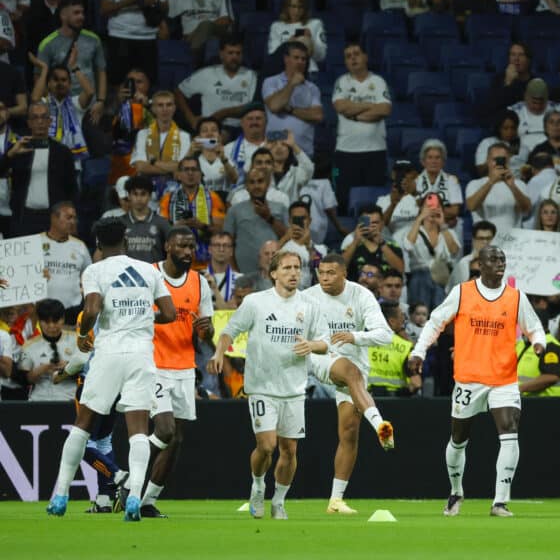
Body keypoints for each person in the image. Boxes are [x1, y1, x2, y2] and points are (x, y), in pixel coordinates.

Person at [46, 218, 176, 521]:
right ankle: (133, 499)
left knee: (83, 424)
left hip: (108, 354)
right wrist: (143, 318)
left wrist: (81, 335)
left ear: (98, 245)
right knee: (138, 430)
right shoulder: (149, 270)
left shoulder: (95, 271)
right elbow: (169, 313)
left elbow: (91, 309)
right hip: (141, 355)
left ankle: (61, 495)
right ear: (126, 241)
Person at [409, 245, 547, 517]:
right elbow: (436, 321)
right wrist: (418, 350)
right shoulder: (462, 292)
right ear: (479, 265)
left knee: (509, 431)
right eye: (493, 259)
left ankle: (500, 501)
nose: (500, 263)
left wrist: (539, 342)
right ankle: (456, 491)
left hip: (504, 379)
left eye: (502, 259)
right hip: (469, 379)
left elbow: (534, 326)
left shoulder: (516, 297)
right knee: (459, 438)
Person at [208, 251, 343, 520]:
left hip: (293, 388)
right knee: (267, 445)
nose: (294, 273)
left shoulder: (309, 305)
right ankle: (258, 486)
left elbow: (326, 341)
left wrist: (312, 345)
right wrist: (219, 352)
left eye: (297, 268)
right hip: (261, 385)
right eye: (287, 268)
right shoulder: (256, 302)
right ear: (273, 273)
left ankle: (279, 500)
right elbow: (229, 330)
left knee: (289, 449)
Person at [302, 253, 394, 515]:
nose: (325, 278)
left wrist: (354, 336)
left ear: (344, 274)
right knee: (350, 372)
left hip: (356, 360)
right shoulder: (308, 297)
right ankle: (380, 425)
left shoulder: (361, 295)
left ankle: (335, 501)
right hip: (321, 357)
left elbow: (385, 335)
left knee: (350, 431)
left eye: (331, 273)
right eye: (321, 272)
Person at [141, 227, 215, 518]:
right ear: (168, 245)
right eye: (182, 246)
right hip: (152, 364)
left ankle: (147, 500)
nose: (188, 252)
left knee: (177, 439)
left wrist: (206, 332)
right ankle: (125, 476)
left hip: (185, 367)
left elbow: (207, 333)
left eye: (191, 247)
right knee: (165, 429)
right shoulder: (149, 274)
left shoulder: (199, 283)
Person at [0, 102, 77, 236]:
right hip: (24, 217)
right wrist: (10, 155)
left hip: (54, 218)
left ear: (50, 121)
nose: (40, 122)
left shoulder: (62, 152)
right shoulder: (18, 148)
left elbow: (72, 189)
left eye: (43, 117)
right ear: (29, 122)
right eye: (35, 118)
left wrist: (71, 219)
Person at [332, 43, 392, 204]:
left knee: (375, 202)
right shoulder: (342, 82)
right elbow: (340, 106)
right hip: (346, 152)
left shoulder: (378, 81)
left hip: (375, 151)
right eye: (348, 56)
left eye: (356, 54)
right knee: (344, 200)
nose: (352, 58)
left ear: (365, 57)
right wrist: (371, 106)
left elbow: (385, 109)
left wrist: (354, 114)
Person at [98, 0, 168, 87]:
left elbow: (165, 7)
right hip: (120, 36)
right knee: (117, 83)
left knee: (148, 84)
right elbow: (103, 9)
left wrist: (153, 2)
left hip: (148, 38)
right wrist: (126, 2)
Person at [36, 0, 108, 116]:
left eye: (82, 13)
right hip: (60, 107)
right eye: (76, 13)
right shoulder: (47, 44)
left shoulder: (94, 39)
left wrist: (101, 101)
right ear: (63, 15)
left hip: (90, 107)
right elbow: (39, 78)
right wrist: (48, 106)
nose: (81, 17)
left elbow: (101, 71)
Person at [176, 35, 258, 137]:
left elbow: (252, 106)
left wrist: (223, 113)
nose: (234, 57)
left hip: (240, 128)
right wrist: (191, 119)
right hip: (209, 128)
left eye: (238, 53)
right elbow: (179, 91)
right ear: (221, 54)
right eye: (230, 53)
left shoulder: (251, 76)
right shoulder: (206, 73)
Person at [159, 156, 226, 270]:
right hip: (177, 263)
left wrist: (201, 226)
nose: (190, 173)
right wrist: (177, 227)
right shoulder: (167, 199)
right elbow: (160, 233)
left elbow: (221, 232)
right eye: (186, 169)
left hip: (206, 264)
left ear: (200, 174)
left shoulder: (213, 198)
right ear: (179, 174)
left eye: (194, 169)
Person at [262, 41, 322, 157]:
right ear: (286, 59)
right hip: (275, 150)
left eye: (303, 59)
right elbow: (274, 106)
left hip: (303, 152)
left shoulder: (312, 88)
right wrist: (292, 84)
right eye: (296, 58)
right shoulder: (271, 82)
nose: (300, 62)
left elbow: (317, 116)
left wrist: (290, 110)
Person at [224, 167, 289, 273]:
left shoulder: (280, 208)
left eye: (260, 181)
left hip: (276, 273)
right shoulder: (234, 210)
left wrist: (269, 218)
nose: (256, 186)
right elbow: (227, 244)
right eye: (252, 182)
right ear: (246, 187)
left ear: (267, 184)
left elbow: (288, 238)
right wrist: (234, 272)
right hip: (244, 273)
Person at [404, 193, 461, 308]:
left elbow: (455, 251)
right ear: (421, 209)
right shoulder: (414, 231)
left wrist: (443, 225)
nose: (432, 210)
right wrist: (420, 218)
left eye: (436, 207)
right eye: (428, 207)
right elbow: (408, 246)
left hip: (441, 279)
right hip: (419, 278)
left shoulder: (448, 232)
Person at [21, 299, 84, 402]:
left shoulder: (77, 341)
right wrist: (42, 369)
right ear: (39, 321)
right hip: (38, 401)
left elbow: (88, 373)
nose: (51, 326)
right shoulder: (29, 346)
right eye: (46, 322)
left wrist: (68, 367)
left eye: (55, 321)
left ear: (63, 319)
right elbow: (24, 380)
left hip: (70, 399)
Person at [168, 0, 233, 60]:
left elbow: (226, 20)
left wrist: (201, 29)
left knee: (205, 26)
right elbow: (165, 18)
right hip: (189, 39)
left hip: (216, 33)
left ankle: (190, 59)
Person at [38, 202, 91, 322]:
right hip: (42, 310)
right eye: (68, 217)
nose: (73, 222)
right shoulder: (36, 242)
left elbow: (89, 274)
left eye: (74, 218)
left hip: (72, 311)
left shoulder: (80, 246)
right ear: (54, 218)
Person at [130, 91, 192, 193]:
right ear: (153, 109)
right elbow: (141, 166)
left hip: (175, 188)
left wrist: (153, 162)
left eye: (169, 105)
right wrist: (172, 168)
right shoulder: (142, 134)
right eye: (160, 105)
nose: (165, 109)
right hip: (146, 188)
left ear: (174, 108)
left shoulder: (185, 136)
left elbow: (183, 168)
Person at [465, 142, 531, 234]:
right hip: (485, 239)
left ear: (508, 161)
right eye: (495, 159)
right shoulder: (475, 184)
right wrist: (491, 182)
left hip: (512, 239)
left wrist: (512, 186)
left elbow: (526, 209)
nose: (498, 164)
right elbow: (471, 206)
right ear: (487, 161)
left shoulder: (519, 185)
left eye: (502, 160)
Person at [268, 0, 326, 74]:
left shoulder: (315, 24)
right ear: (287, 7)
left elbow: (321, 56)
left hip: (309, 71)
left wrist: (311, 41)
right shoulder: (276, 26)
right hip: (284, 72)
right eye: (293, 6)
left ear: (305, 8)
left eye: (300, 7)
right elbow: (273, 55)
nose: (297, 11)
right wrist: (288, 43)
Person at [341, 204, 405, 281]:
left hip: (383, 290)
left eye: (375, 223)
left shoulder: (393, 245)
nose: (371, 226)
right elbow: (339, 269)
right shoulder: (350, 244)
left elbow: (400, 270)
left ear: (382, 224)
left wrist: (381, 243)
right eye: (367, 223)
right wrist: (355, 242)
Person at [368, 301, 420, 396]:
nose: (404, 320)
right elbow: (416, 383)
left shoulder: (362, 342)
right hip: (395, 402)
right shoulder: (406, 347)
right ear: (391, 321)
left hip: (366, 400)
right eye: (401, 316)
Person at [223, 104, 268, 185]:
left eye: (258, 118)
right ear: (242, 123)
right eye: (250, 119)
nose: (254, 122)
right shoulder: (228, 149)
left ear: (265, 122)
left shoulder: (275, 147)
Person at [476, 110, 524, 176]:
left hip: (516, 183)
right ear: (498, 128)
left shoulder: (523, 147)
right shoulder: (487, 143)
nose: (510, 132)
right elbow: (480, 171)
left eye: (513, 128)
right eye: (505, 128)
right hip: (493, 182)